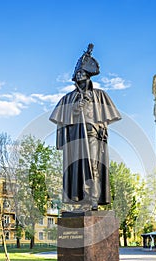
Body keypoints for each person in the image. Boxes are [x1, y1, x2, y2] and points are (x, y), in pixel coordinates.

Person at [49, 44, 121, 210]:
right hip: (75, 136)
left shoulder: (99, 95)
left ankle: (92, 198)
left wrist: (101, 129)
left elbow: (106, 118)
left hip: (91, 135)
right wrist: (75, 109)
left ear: (89, 75)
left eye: (82, 72)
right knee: (77, 168)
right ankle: (80, 201)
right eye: (77, 73)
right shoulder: (69, 98)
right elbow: (61, 118)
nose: (79, 75)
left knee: (92, 166)